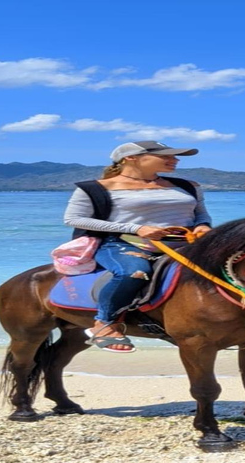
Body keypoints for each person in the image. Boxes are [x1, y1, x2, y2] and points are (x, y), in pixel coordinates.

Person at [63, 141, 213, 352]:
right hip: (123, 243)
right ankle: (104, 323)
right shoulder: (95, 188)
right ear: (130, 158)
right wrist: (136, 228)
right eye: (166, 156)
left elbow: (201, 213)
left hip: (186, 243)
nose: (175, 160)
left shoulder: (188, 186)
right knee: (134, 273)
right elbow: (74, 219)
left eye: (175, 157)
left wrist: (203, 226)